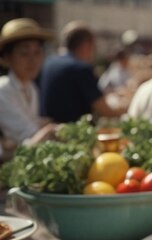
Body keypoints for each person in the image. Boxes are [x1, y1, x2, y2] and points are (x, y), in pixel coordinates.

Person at [39, 21, 125, 123]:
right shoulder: (81, 69)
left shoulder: (48, 63)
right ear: (86, 45)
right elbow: (106, 111)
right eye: (94, 47)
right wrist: (129, 106)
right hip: (71, 132)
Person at [0, 18, 56, 160]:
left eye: (37, 52)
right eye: (24, 53)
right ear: (7, 58)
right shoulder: (3, 91)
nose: (32, 60)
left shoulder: (31, 88)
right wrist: (50, 130)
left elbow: (29, 128)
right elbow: (28, 137)